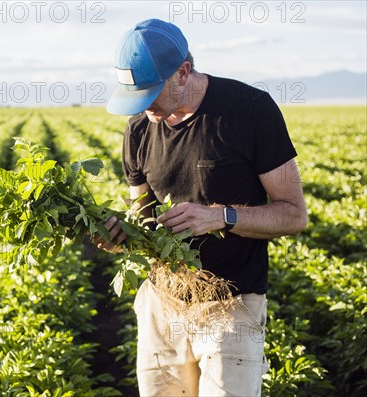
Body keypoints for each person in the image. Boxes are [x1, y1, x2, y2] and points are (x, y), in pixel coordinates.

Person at [98, 19, 308, 396]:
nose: (144, 109)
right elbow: (143, 218)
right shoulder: (138, 130)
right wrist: (120, 236)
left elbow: (294, 214)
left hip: (230, 307)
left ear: (183, 72)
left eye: (150, 94)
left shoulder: (249, 111)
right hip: (161, 305)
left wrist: (220, 216)